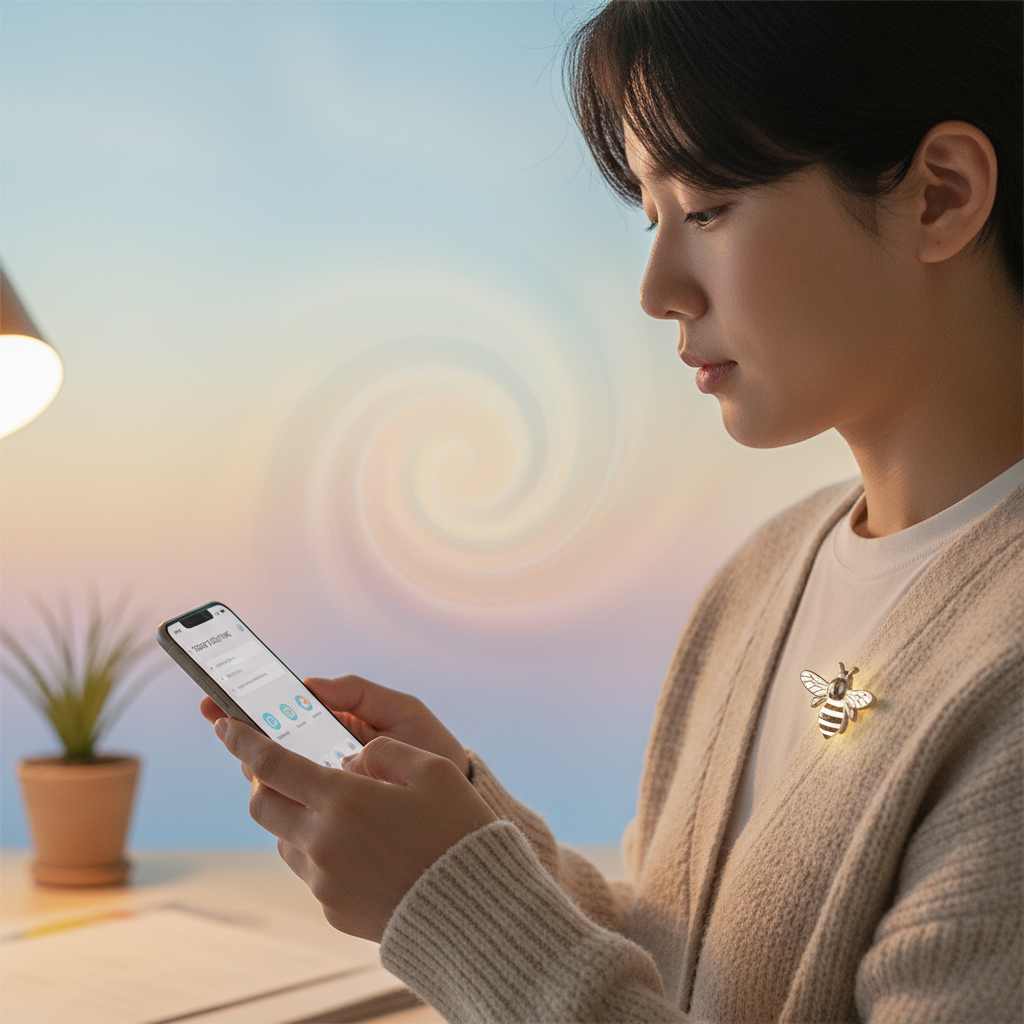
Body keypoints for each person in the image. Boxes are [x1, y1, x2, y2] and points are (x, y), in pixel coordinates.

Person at [201, 2, 1022, 1021]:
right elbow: (688, 969)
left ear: (938, 196)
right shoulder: (766, 575)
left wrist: (451, 904)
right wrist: (468, 823)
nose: (655, 287)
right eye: (651, 215)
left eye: (709, 207)